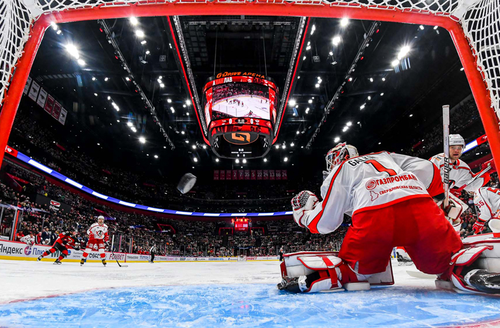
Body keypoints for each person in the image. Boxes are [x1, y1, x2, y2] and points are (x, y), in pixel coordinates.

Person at [279, 143, 469, 293]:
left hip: (374, 214)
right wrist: (439, 197)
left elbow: (325, 224)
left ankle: (313, 281)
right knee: (443, 264)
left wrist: (303, 214)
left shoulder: (340, 170)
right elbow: (429, 169)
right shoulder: (385, 155)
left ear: (339, 158)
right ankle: (468, 272)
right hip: (419, 203)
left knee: (358, 272)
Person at [429, 134, 495, 228]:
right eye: (453, 147)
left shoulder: (463, 167)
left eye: (459, 148)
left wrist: (488, 170)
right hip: (428, 195)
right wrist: (446, 193)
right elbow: (428, 182)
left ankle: (454, 238)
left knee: (455, 213)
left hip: (442, 197)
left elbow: (472, 185)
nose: (456, 150)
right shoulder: (436, 161)